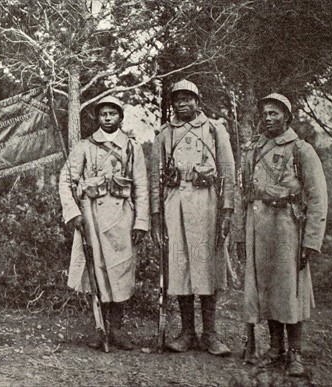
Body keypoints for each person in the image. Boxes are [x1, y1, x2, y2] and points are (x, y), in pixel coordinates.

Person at [236, 93, 328, 376]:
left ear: (287, 117)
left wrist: (311, 241)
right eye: (265, 113)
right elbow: (243, 196)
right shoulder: (252, 150)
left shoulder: (302, 150)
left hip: (289, 228)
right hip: (259, 226)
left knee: (290, 290)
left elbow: (317, 198)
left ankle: (295, 353)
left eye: (275, 113)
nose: (268, 118)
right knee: (266, 289)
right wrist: (240, 236)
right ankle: (275, 349)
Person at [150, 80, 235, 356]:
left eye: (187, 98)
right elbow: (155, 177)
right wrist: (155, 214)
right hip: (174, 203)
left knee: (206, 265)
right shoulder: (164, 134)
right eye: (177, 99)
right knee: (180, 265)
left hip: (206, 203)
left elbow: (228, 172)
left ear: (198, 102)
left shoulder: (214, 129)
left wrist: (228, 210)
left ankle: (210, 333)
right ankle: (187, 331)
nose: (182, 103)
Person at [58, 96, 149, 350]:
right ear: (97, 118)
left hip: (122, 218)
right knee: (95, 271)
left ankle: (117, 328)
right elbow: (65, 180)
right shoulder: (84, 147)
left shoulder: (132, 147)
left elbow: (141, 186)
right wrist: (73, 212)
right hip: (92, 218)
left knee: (120, 272)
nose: (108, 118)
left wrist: (141, 221)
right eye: (103, 114)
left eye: (113, 114)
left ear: (121, 117)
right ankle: (99, 328)